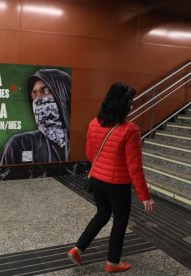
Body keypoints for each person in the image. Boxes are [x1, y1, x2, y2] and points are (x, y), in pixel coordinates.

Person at [67, 82, 155, 273]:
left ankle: (78, 248)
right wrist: (145, 195)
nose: (132, 105)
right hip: (117, 184)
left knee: (102, 214)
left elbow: (90, 154)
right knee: (120, 220)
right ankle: (113, 262)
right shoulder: (130, 130)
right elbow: (134, 167)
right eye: (130, 101)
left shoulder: (94, 123)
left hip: (97, 180)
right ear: (124, 105)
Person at [0, 68, 71, 165]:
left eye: (45, 90)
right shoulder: (21, 144)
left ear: (63, 93)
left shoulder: (82, 140)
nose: (37, 100)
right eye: (34, 94)